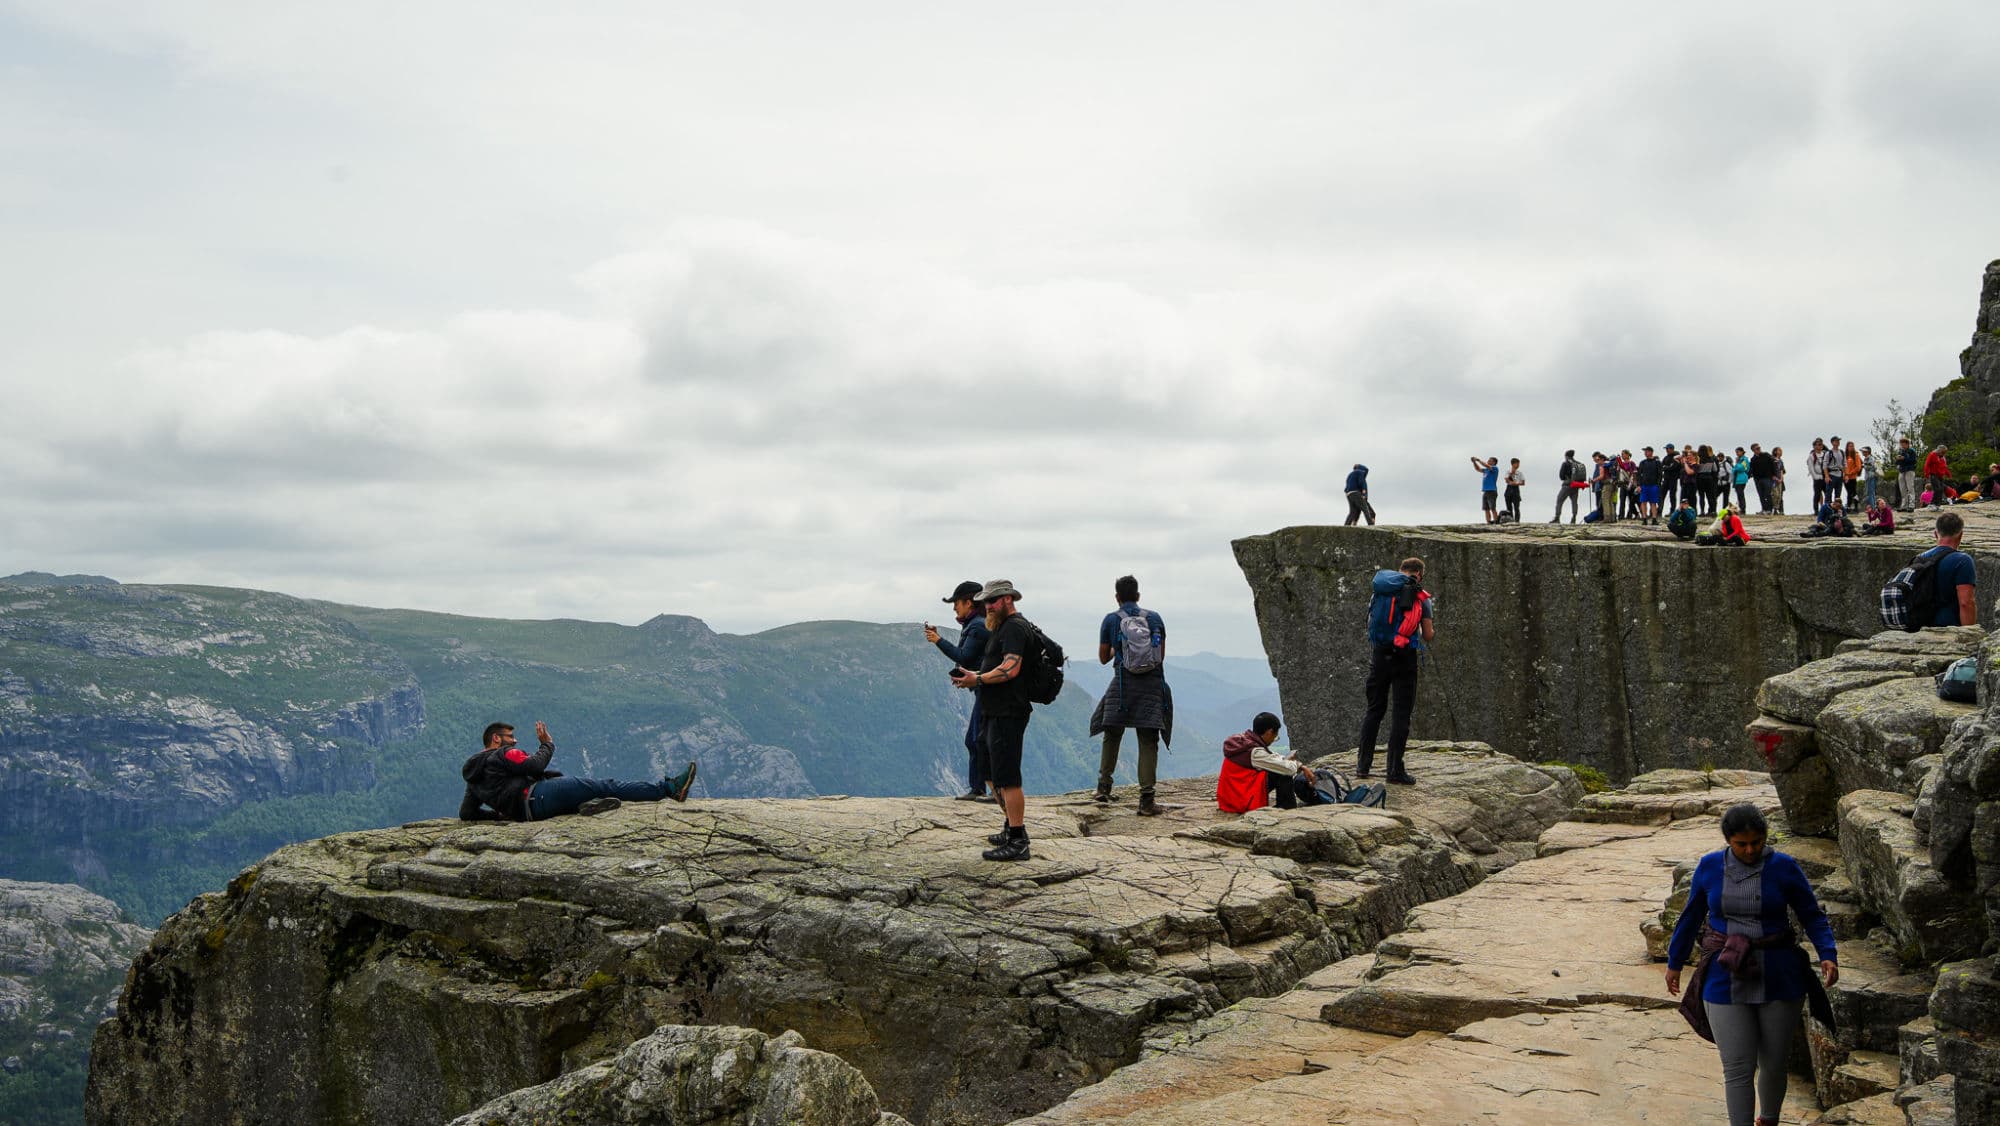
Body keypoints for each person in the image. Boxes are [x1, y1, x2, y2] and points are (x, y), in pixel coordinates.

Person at [1666, 805, 1838, 1126]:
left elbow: (1811, 913)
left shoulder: (1784, 867)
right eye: (1741, 844)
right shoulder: (1709, 867)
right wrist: (1674, 962)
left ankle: (1769, 1119)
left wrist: (1827, 952)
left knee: (1774, 1061)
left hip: (1779, 973)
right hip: (1724, 972)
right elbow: (1690, 917)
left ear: (1765, 839)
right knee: (1737, 1066)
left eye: (1756, 843)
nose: (1749, 850)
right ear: (1728, 840)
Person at [951, 579, 1038, 860]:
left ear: (1008, 600)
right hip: (992, 709)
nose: (987, 606)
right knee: (989, 768)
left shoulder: (1015, 628)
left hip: (1008, 711)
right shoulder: (1000, 627)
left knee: (1008, 777)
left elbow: (1010, 668)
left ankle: (1018, 839)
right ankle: (1010, 825)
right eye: (985, 601)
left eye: (993, 601)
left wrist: (977, 678)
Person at [459, 721, 696, 822]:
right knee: (606, 785)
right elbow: (534, 766)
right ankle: (668, 789)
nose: (515, 740)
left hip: (527, 813)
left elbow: (467, 813)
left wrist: (501, 815)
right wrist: (547, 744)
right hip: (539, 796)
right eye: (510, 737)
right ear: (496, 738)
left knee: (585, 791)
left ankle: (587, 804)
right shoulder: (503, 753)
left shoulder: (474, 777)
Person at [1092, 574, 1170, 815]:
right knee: (1148, 742)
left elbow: (1104, 658)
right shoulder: (1154, 618)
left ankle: (1103, 789)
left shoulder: (1111, 620)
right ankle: (1146, 801)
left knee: (1112, 734)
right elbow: (1160, 657)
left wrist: (1119, 646)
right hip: (1151, 686)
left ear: (1117, 597)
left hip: (1122, 685)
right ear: (1138, 595)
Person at [1356, 557, 1433, 785]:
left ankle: (1362, 766)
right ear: (1419, 574)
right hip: (1405, 657)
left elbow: (1370, 622)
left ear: (1400, 571)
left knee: (1374, 710)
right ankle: (1394, 771)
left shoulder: (1379, 591)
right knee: (1401, 715)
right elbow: (1427, 635)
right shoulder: (1419, 595)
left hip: (1380, 655)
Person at [926, 580, 993, 802]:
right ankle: (980, 788)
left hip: (988, 690)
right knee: (976, 740)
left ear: (969, 602)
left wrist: (938, 641)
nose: (955, 607)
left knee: (978, 740)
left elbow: (964, 656)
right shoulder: (975, 624)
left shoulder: (976, 626)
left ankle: (985, 789)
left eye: (957, 603)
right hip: (985, 689)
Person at [1216, 712, 1318, 813]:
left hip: (1230, 796)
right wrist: (1300, 766)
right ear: (1269, 732)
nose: (1274, 739)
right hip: (1239, 800)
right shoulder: (1255, 753)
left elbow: (1270, 757)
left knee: (1279, 767)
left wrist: (1300, 766)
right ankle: (1287, 809)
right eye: (1275, 736)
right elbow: (1288, 769)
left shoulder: (1246, 743)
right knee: (1283, 773)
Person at [1917, 512, 1978, 626]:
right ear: (1960, 535)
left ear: (1935, 534)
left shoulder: (1920, 558)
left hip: (1921, 625)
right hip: (1948, 627)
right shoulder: (1962, 561)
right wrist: (1970, 633)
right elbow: (1966, 603)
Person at [1553, 450, 1584, 523]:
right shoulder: (1578, 464)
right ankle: (1574, 517)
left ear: (1566, 456)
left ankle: (1557, 517)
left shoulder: (1565, 463)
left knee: (1559, 500)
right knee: (1574, 502)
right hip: (1576, 486)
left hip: (1567, 485)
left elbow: (1561, 476)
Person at [1636, 446, 1663, 525]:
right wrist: (1639, 485)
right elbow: (1639, 475)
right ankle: (1644, 518)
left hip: (1654, 485)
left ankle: (1654, 518)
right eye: (1644, 451)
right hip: (1644, 485)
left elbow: (1660, 474)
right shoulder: (1642, 462)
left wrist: (1658, 485)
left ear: (1651, 452)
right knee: (1643, 502)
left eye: (1646, 451)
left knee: (1653, 502)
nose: (1645, 453)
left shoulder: (1657, 462)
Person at [1470, 456, 1500, 523]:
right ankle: (1488, 522)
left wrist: (1478, 459)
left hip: (1492, 490)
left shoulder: (1495, 468)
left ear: (1494, 462)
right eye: (1488, 460)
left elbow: (1486, 465)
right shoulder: (1486, 470)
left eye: (1490, 460)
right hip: (1485, 491)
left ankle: (1496, 522)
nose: (1488, 461)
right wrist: (1474, 462)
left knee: (1492, 508)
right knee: (1486, 508)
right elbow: (1478, 469)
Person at [1747, 444, 1775, 514]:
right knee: (1761, 495)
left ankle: (1769, 510)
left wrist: (1774, 475)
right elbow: (1751, 469)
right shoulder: (1753, 459)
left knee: (1767, 494)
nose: (1759, 449)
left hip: (1767, 478)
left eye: (1759, 448)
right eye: (1757, 448)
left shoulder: (1766, 455)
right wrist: (1748, 476)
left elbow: (1773, 464)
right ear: (1753, 450)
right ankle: (1764, 509)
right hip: (1758, 479)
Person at [1924, 445, 1952, 510]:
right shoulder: (1932, 454)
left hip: (1941, 476)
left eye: (1944, 452)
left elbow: (1944, 467)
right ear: (1939, 450)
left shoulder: (1943, 458)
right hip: (1933, 474)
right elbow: (1927, 464)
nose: (1943, 453)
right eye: (1942, 452)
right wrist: (1926, 474)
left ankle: (1938, 504)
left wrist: (1949, 474)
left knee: (1941, 489)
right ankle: (1932, 504)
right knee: (1937, 489)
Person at [1896, 437, 1919, 512]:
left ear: (1907, 444)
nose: (1902, 445)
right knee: (1902, 489)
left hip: (1909, 470)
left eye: (1903, 444)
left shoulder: (1912, 451)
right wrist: (1898, 459)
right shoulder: (1900, 451)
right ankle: (1904, 506)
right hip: (1902, 471)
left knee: (1910, 488)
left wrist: (1904, 458)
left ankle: (1911, 505)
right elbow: (1897, 462)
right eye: (1901, 444)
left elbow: (1914, 461)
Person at [1661, 443, 1684, 511]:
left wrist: (1666, 467)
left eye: (1668, 449)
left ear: (1672, 449)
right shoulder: (1666, 458)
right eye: (1666, 449)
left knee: (1672, 495)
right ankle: (1659, 510)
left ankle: (1672, 510)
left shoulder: (1677, 457)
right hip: (1666, 478)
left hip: (1673, 479)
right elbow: (1661, 467)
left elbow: (1674, 467)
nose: (1667, 450)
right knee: (1662, 495)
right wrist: (1667, 467)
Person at [1503, 458, 1525, 522]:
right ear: (1513, 464)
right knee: (1509, 507)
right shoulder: (1508, 471)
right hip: (1509, 489)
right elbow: (1506, 480)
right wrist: (1511, 474)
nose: (1518, 465)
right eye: (1517, 463)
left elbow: (1523, 482)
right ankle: (1510, 520)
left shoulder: (1520, 473)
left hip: (1516, 489)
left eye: (1519, 463)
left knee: (1516, 507)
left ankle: (1517, 521)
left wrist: (1516, 483)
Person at [1843, 442, 1863, 509]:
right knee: (1849, 492)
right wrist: (1845, 474)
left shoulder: (1856, 455)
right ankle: (1849, 506)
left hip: (1852, 477)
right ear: (1847, 447)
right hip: (1845, 477)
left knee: (1853, 492)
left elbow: (1858, 467)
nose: (1851, 447)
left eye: (1852, 446)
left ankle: (1855, 507)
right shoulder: (1844, 455)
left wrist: (1850, 473)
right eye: (1849, 446)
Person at [1731, 447, 1751, 513]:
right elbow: (1733, 470)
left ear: (1742, 452)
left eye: (1738, 452)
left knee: (1740, 494)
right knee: (1739, 494)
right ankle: (1741, 508)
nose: (1737, 453)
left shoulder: (1744, 459)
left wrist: (1737, 463)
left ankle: (1742, 508)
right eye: (1736, 452)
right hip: (1737, 479)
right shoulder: (1739, 460)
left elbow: (1741, 468)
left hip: (1742, 479)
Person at [1860, 445, 1880, 510]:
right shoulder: (1867, 458)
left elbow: (1872, 467)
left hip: (1870, 477)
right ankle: (1874, 506)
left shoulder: (1870, 458)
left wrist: (1864, 466)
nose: (1862, 452)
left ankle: (1873, 507)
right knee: (1871, 493)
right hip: (1869, 477)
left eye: (1864, 451)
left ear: (1867, 452)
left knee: (1870, 493)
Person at [1770, 446, 1787, 514]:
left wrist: (1781, 478)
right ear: (1775, 451)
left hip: (1780, 480)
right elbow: (1770, 470)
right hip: (1773, 480)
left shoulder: (1780, 461)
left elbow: (1782, 470)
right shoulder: (1772, 460)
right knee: (1775, 494)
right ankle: (1774, 508)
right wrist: (1774, 477)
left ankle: (1778, 509)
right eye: (1779, 450)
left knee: (1779, 495)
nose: (1780, 452)